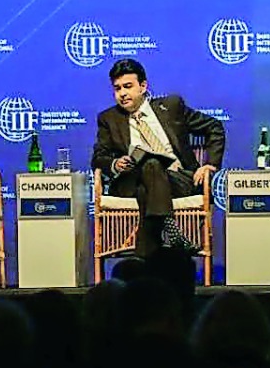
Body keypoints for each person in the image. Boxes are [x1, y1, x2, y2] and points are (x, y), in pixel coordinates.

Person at [91, 58, 225, 258]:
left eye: (128, 86)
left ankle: (145, 258)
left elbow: (214, 127)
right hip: (130, 181)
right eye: (117, 88)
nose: (122, 94)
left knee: (149, 184)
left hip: (177, 180)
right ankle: (171, 230)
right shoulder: (108, 119)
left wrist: (210, 165)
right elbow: (98, 157)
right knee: (150, 165)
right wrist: (115, 163)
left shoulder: (170, 107)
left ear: (143, 86)